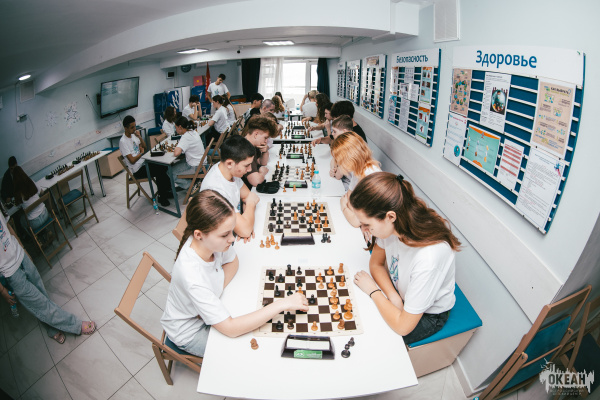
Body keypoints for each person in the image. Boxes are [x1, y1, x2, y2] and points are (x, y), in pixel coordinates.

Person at [160, 190, 308, 357]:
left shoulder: (210, 243)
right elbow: (231, 329)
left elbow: (233, 261)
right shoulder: (192, 275)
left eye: (231, 231)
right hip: (190, 331)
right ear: (199, 234)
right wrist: (282, 304)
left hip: (207, 314)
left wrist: (214, 293)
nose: (232, 239)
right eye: (225, 234)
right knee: (246, 352)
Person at [349, 172, 460, 345]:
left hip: (429, 315)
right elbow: (376, 264)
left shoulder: (429, 258)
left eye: (367, 224)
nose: (363, 229)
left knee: (374, 337)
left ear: (390, 216)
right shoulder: (393, 226)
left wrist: (373, 291)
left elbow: (402, 327)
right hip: (402, 294)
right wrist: (393, 297)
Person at [0, 212, 96, 344]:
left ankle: (51, 329)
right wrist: (2, 290)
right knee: (40, 304)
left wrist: (24, 249)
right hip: (10, 273)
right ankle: (76, 325)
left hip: (21, 256)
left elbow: (8, 226)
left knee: (41, 296)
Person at [200, 135, 260, 240]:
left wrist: (247, 221)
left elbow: (247, 196)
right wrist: (250, 206)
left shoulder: (229, 170)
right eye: (246, 165)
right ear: (229, 163)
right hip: (219, 240)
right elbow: (245, 230)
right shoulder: (216, 190)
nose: (250, 169)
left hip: (230, 231)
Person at [119, 115, 172, 206]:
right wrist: (141, 154)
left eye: (135, 126)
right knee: (160, 170)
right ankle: (162, 197)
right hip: (137, 169)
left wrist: (139, 137)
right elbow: (132, 160)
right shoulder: (123, 141)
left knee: (163, 165)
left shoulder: (134, 135)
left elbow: (145, 147)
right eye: (132, 127)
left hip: (143, 162)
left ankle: (165, 191)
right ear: (125, 128)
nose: (134, 129)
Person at [330, 132, 381, 227]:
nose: (339, 163)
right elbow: (349, 197)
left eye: (339, 160)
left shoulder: (370, 175)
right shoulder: (359, 169)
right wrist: (351, 209)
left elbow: (356, 222)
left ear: (348, 158)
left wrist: (343, 206)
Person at [11, 166, 54, 244]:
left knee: (22, 220)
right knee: (34, 213)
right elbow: (42, 192)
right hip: (45, 214)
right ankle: (45, 231)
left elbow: (18, 207)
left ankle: (36, 239)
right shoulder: (31, 182)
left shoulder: (18, 194)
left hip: (34, 223)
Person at [241, 116, 277, 188]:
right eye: (265, 138)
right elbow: (256, 181)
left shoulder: (252, 144)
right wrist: (262, 173)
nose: (266, 141)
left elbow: (262, 162)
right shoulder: (245, 149)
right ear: (256, 134)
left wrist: (265, 151)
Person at [172, 117, 205, 190]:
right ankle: (192, 182)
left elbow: (176, 153)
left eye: (176, 128)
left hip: (195, 166)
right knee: (175, 165)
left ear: (180, 127)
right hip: (201, 162)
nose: (176, 130)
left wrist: (178, 146)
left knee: (170, 172)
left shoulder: (185, 136)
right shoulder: (193, 132)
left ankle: (191, 186)